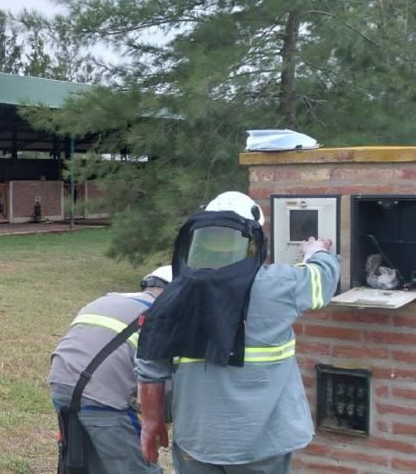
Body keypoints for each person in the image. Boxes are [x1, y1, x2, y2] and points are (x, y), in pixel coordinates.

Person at [136, 191, 339, 473]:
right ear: (254, 237)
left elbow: (150, 363)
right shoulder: (279, 284)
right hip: (263, 445)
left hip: (198, 442)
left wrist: (151, 422)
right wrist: (317, 252)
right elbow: (323, 281)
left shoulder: (178, 292)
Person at [48, 266, 173, 474]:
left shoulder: (106, 300)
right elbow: (164, 381)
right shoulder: (163, 315)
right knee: (136, 468)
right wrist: (160, 421)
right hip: (103, 397)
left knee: (90, 467)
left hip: (60, 384)